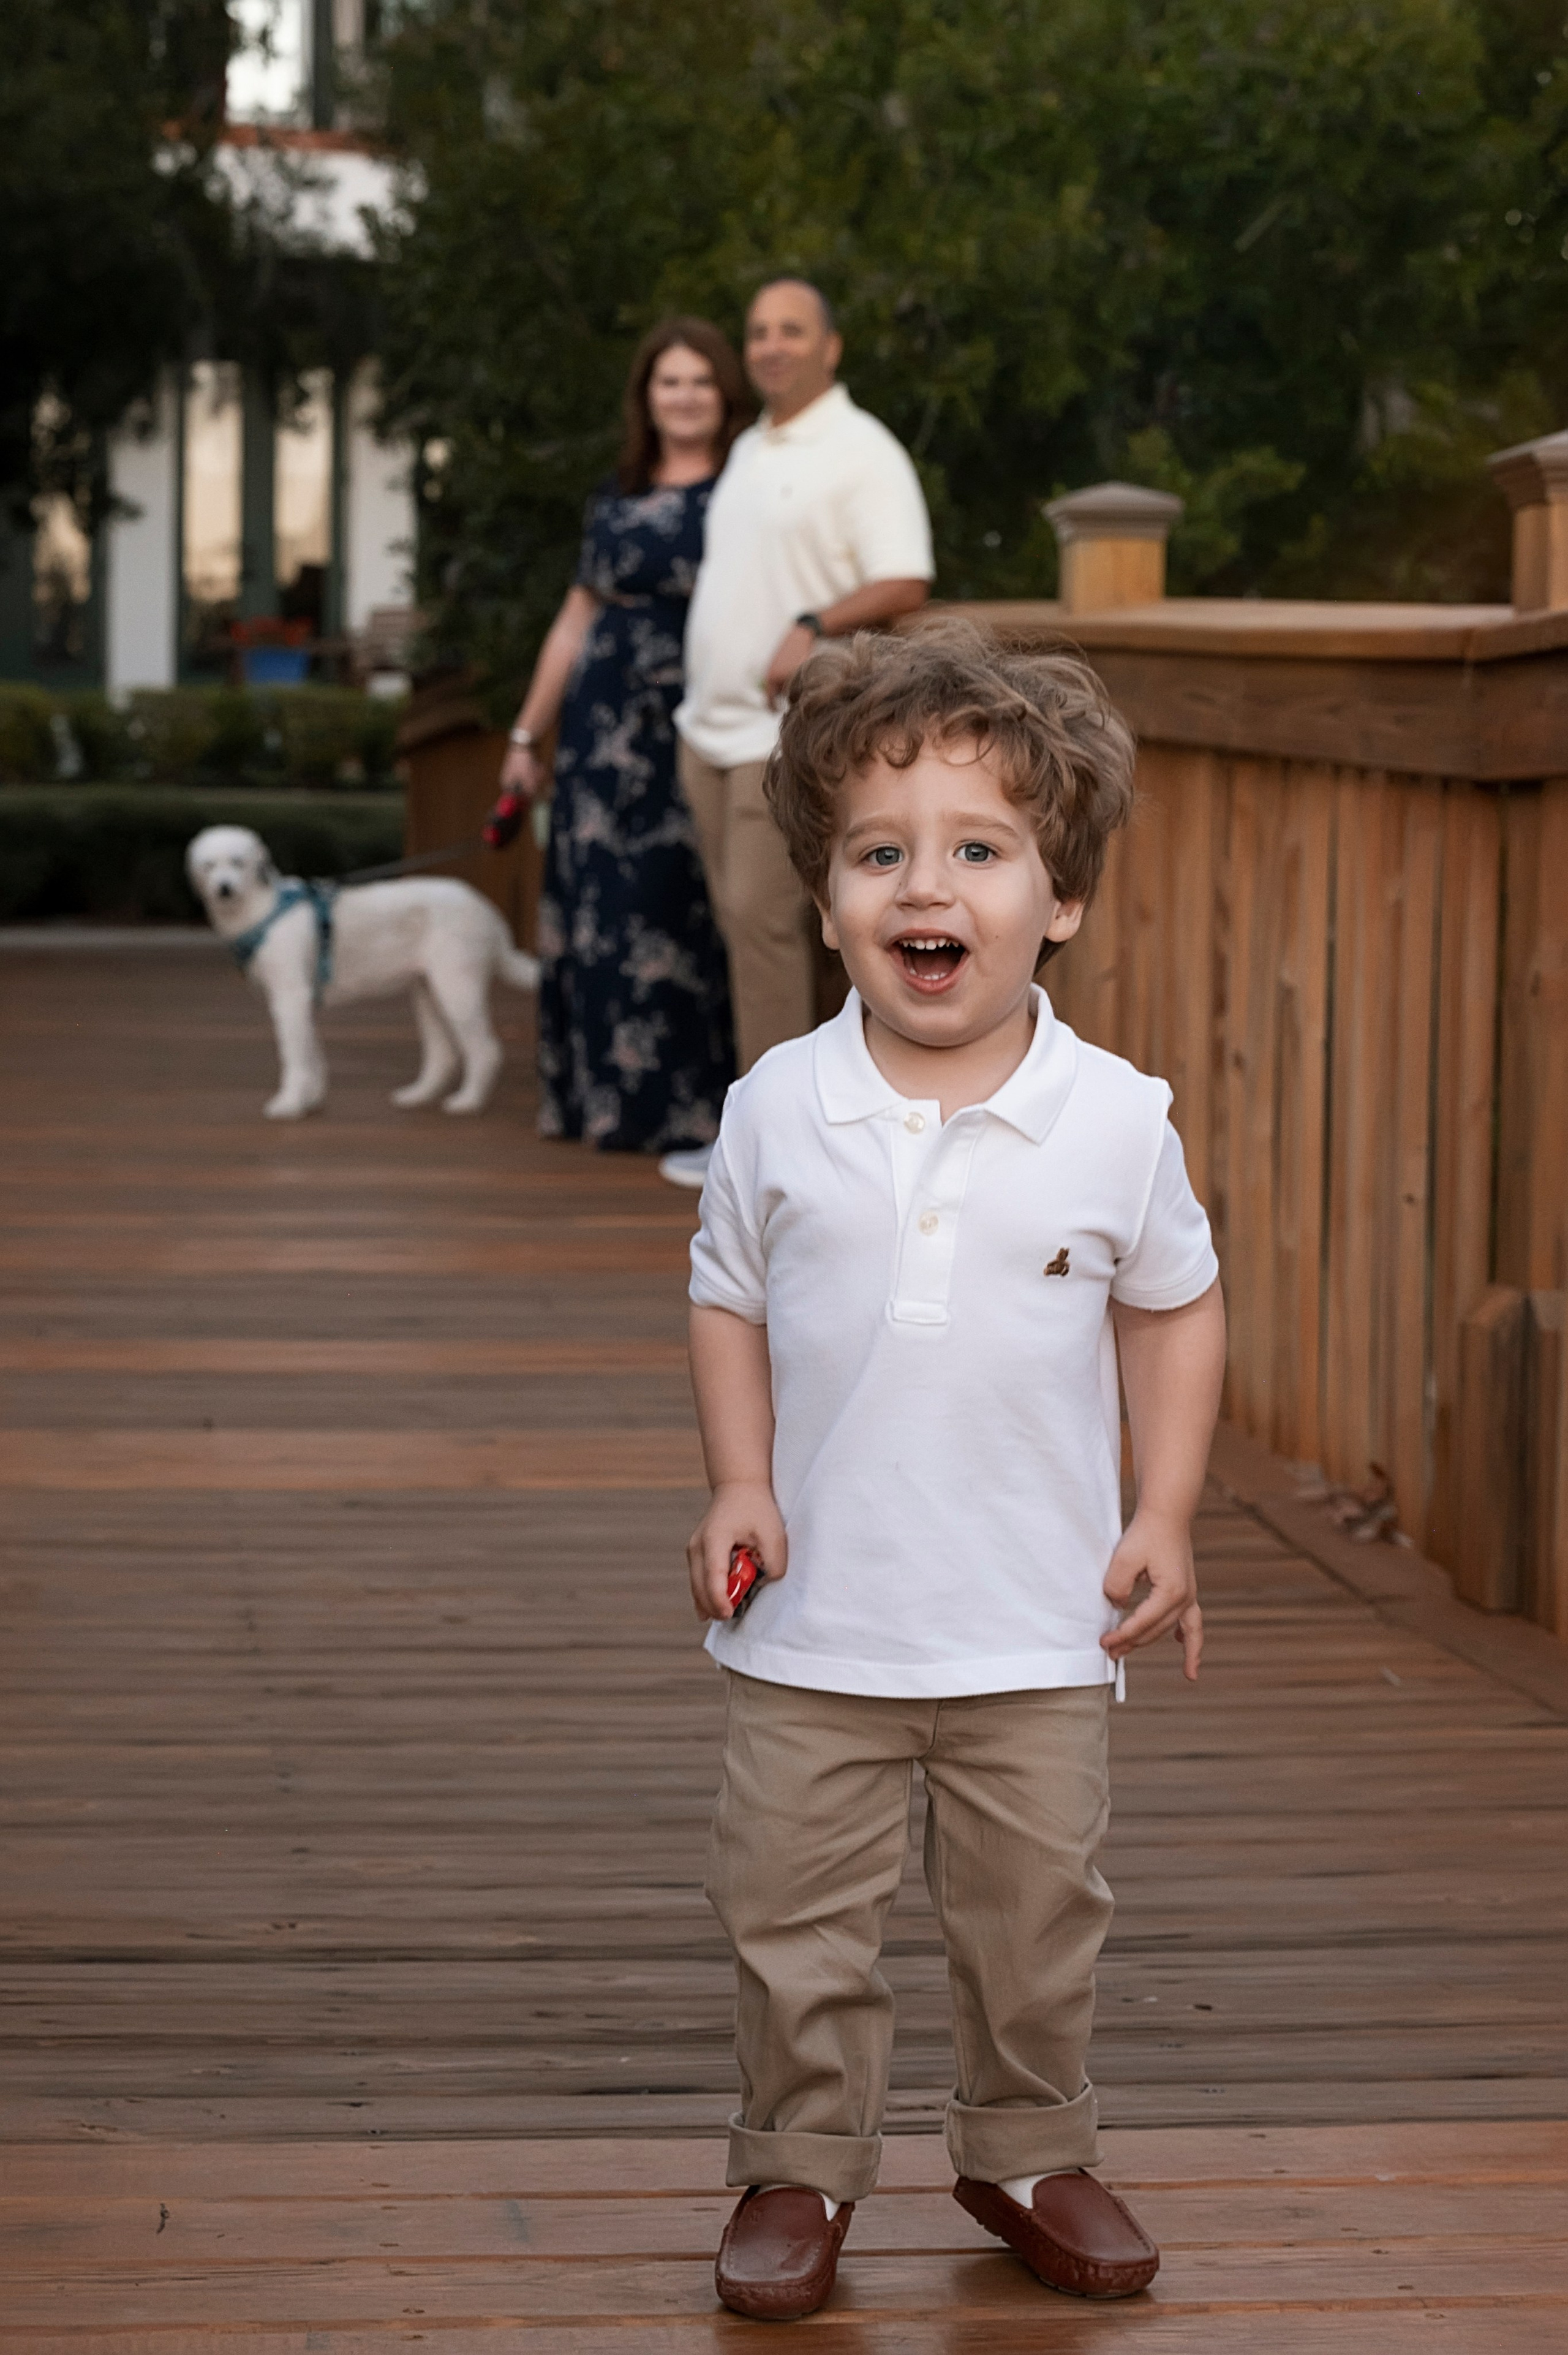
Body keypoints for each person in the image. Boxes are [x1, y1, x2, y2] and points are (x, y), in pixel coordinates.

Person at [682, 619, 1227, 2321]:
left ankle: (1025, 2144)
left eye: (981, 850)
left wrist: (1165, 1510)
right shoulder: (779, 1102)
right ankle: (799, 2161)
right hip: (819, 1628)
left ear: (1059, 895)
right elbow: (729, 1295)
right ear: (832, 894)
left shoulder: (1115, 1118)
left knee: (1036, 1912)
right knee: (792, 1911)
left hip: (1033, 1625)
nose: (931, 885)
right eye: (882, 852)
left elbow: (1176, 1305)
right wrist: (741, 1481)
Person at [660, 278, 934, 1187]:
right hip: (709, 728)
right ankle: (768, 1132)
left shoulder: (863, 453)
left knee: (767, 926)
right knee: (745, 930)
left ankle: (774, 1158)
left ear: (832, 347)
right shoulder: (749, 446)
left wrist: (815, 626)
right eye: (759, 332)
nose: (772, 345)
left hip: (782, 734)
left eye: (792, 330)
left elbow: (905, 579)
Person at [499, 320, 747, 1153]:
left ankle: (690, 1114)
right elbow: (574, 621)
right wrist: (527, 737)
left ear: (725, 394)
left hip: (697, 719)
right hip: (599, 729)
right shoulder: (615, 493)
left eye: (700, 382)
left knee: (677, 907)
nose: (684, 397)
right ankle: (595, 1103)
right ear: (647, 397)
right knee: (597, 904)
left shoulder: (748, 487)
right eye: (668, 382)